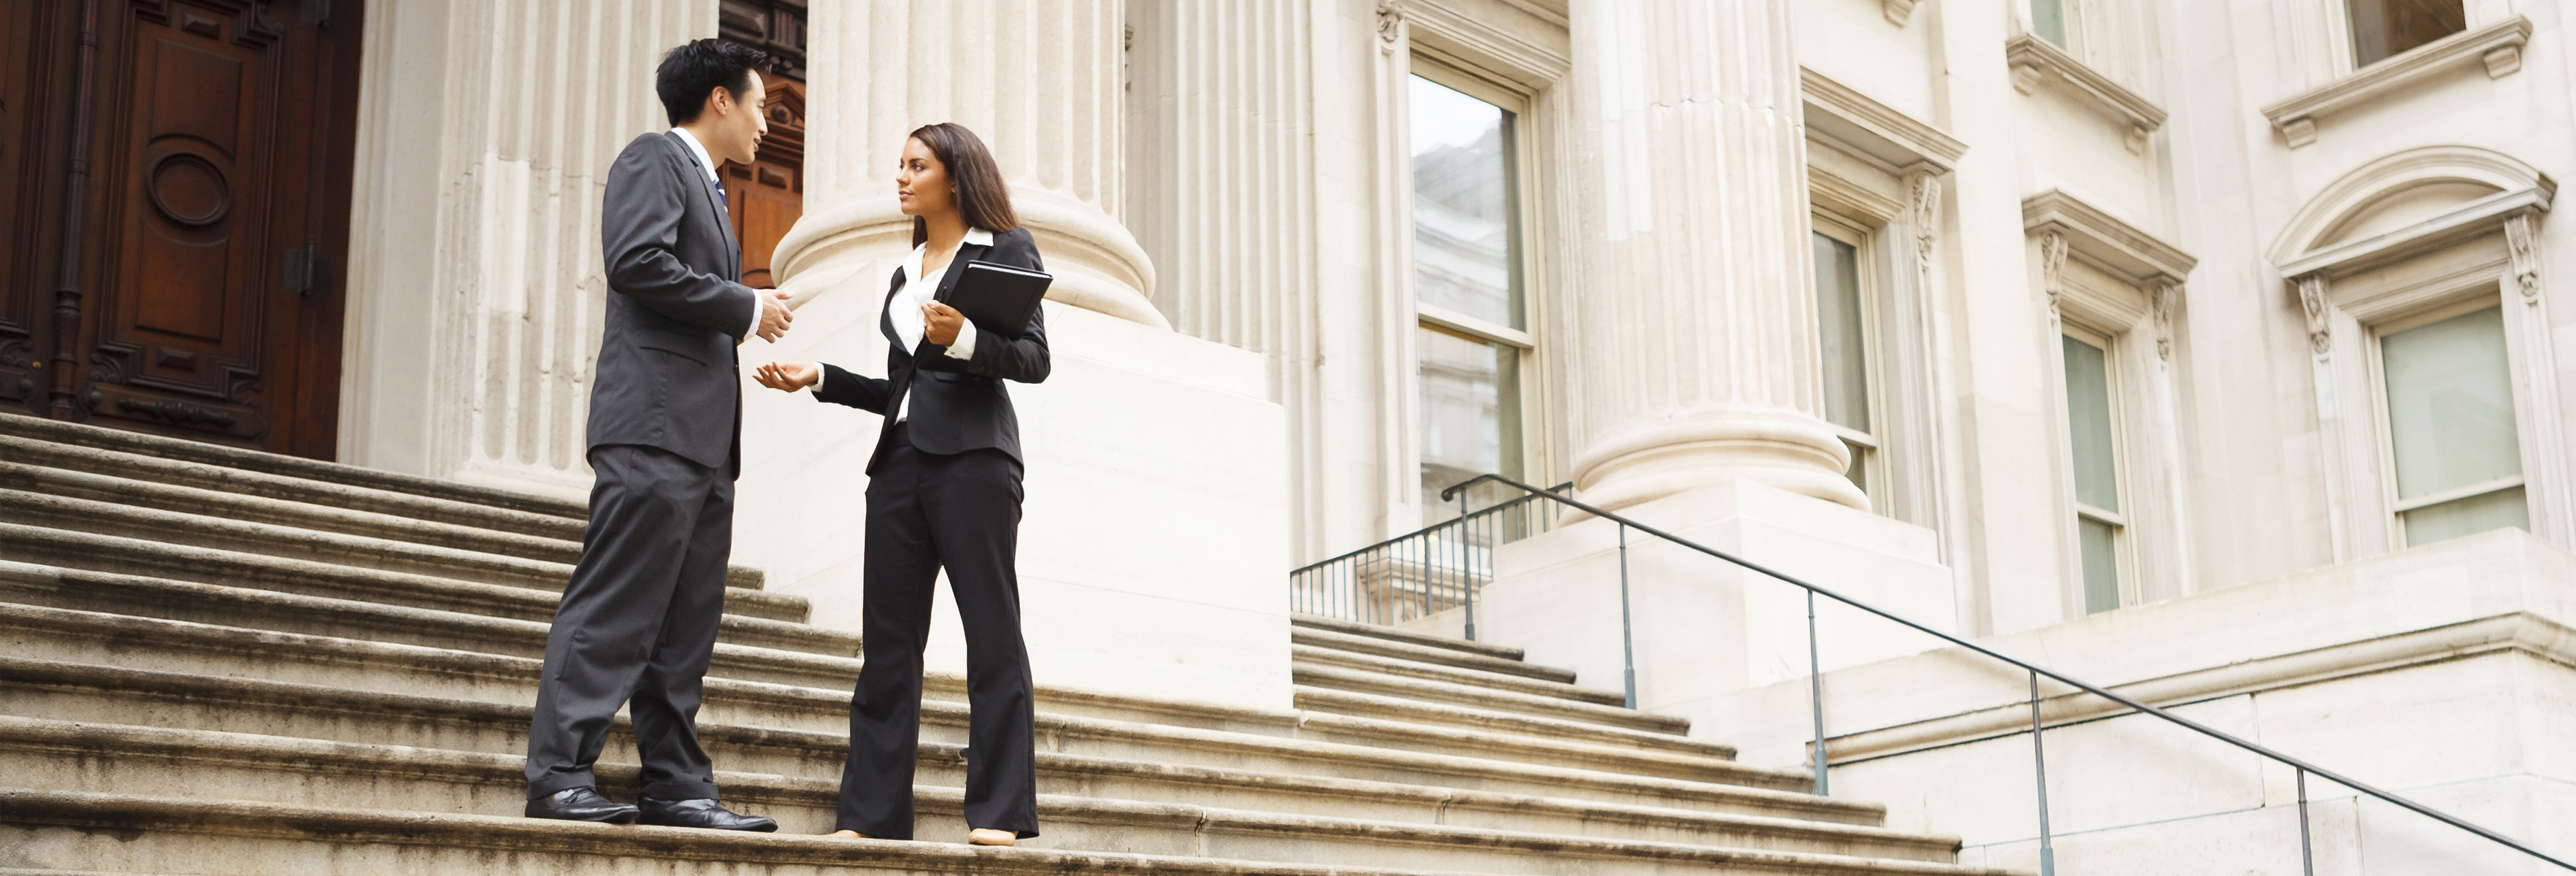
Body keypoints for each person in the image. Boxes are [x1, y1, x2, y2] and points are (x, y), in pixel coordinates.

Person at [752, 122, 1048, 846]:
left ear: (956, 176)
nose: (902, 177)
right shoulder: (904, 271)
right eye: (901, 164)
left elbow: (1034, 358)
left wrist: (966, 338)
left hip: (976, 462)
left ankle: (1001, 813)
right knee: (888, 646)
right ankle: (871, 816)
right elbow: (898, 387)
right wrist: (817, 375)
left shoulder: (1004, 249)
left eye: (918, 165)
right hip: (898, 464)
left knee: (992, 634)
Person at [521, 38, 789, 832]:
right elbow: (636, 261)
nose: (766, 125)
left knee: (683, 628)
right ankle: (559, 774)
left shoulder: (709, 187)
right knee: (616, 606)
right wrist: (746, 307)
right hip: (654, 427)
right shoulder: (654, 159)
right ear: (719, 99)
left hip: (704, 443)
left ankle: (675, 784)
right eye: (761, 105)